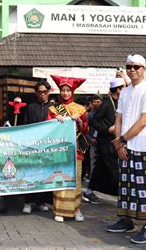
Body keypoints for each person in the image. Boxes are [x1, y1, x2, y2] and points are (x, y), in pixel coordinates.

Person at [106, 54, 146, 244]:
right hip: (125, 146)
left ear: (143, 69)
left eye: (136, 67)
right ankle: (126, 220)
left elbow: (144, 120)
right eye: (129, 67)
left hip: (142, 147)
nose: (132, 70)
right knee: (126, 186)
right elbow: (119, 118)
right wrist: (119, 142)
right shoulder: (126, 92)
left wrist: (121, 140)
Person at [47, 75, 89, 222]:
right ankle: (59, 211)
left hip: (76, 151)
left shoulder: (81, 109)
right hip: (60, 151)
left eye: (68, 90)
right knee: (60, 179)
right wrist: (54, 121)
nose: (65, 93)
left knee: (76, 180)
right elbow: (48, 130)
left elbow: (86, 130)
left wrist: (78, 120)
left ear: (73, 92)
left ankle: (76, 210)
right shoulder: (53, 109)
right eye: (62, 90)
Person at [84, 78, 125, 204]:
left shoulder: (118, 102)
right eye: (123, 88)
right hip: (106, 141)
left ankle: (89, 192)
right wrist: (108, 129)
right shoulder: (107, 103)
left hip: (113, 140)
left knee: (100, 168)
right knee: (113, 167)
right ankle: (121, 195)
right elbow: (93, 120)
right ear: (118, 89)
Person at [21, 78, 52, 214]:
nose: (42, 95)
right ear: (36, 93)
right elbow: (24, 126)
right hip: (32, 147)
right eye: (39, 92)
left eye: (44, 92)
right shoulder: (30, 107)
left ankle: (41, 202)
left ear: (49, 92)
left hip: (48, 147)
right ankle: (28, 202)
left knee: (45, 175)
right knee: (30, 174)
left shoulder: (55, 107)